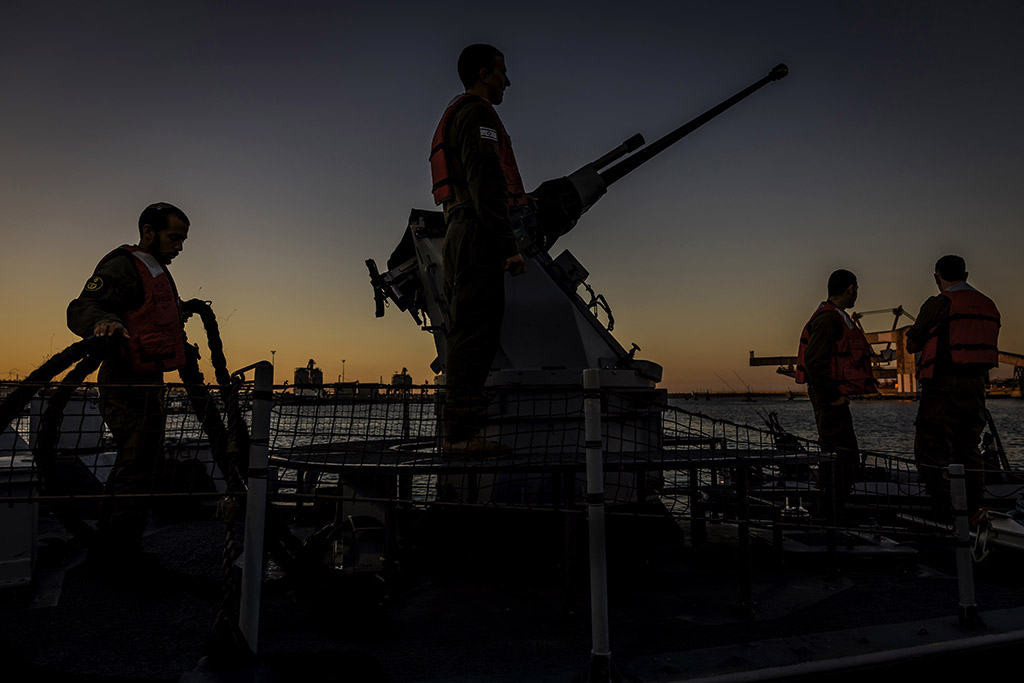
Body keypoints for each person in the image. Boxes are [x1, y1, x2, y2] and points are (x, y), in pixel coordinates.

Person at [67, 202, 190, 562]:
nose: (179, 246)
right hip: (124, 381)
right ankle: (120, 554)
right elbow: (82, 306)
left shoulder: (157, 271)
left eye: (183, 240)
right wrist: (104, 322)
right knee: (136, 463)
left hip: (150, 381)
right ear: (148, 232)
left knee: (141, 461)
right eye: (174, 237)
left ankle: (112, 543)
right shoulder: (122, 265)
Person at [429, 44, 527, 452]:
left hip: (463, 229)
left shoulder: (461, 115)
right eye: (502, 72)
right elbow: (486, 180)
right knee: (475, 333)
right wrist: (509, 245)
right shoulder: (478, 114)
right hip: (477, 233)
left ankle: (462, 429)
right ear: (485, 73)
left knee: (469, 330)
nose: (507, 80)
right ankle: (463, 435)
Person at [906, 255, 1000, 516]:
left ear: (937, 277)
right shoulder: (988, 305)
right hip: (976, 390)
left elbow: (912, 343)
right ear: (966, 275)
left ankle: (943, 512)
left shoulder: (940, 303)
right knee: (969, 448)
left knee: (933, 450)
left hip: (942, 387)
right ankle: (973, 511)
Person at [795, 269, 877, 511]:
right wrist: (834, 396)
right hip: (829, 399)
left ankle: (833, 505)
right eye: (857, 289)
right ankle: (831, 509)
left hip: (831, 397)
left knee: (841, 454)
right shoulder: (829, 318)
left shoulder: (836, 316)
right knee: (840, 455)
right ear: (850, 288)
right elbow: (815, 362)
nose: (857, 294)